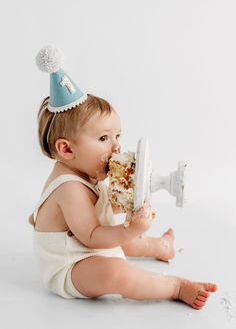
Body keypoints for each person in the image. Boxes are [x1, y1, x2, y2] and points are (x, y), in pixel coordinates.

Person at [30, 46, 217, 308]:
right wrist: (130, 229)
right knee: (114, 271)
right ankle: (174, 286)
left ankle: (160, 246)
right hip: (70, 263)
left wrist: (130, 200)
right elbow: (92, 236)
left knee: (122, 241)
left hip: (89, 247)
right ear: (67, 149)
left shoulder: (86, 172)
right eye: (104, 138)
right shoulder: (69, 188)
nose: (116, 147)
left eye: (118, 136)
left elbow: (104, 207)